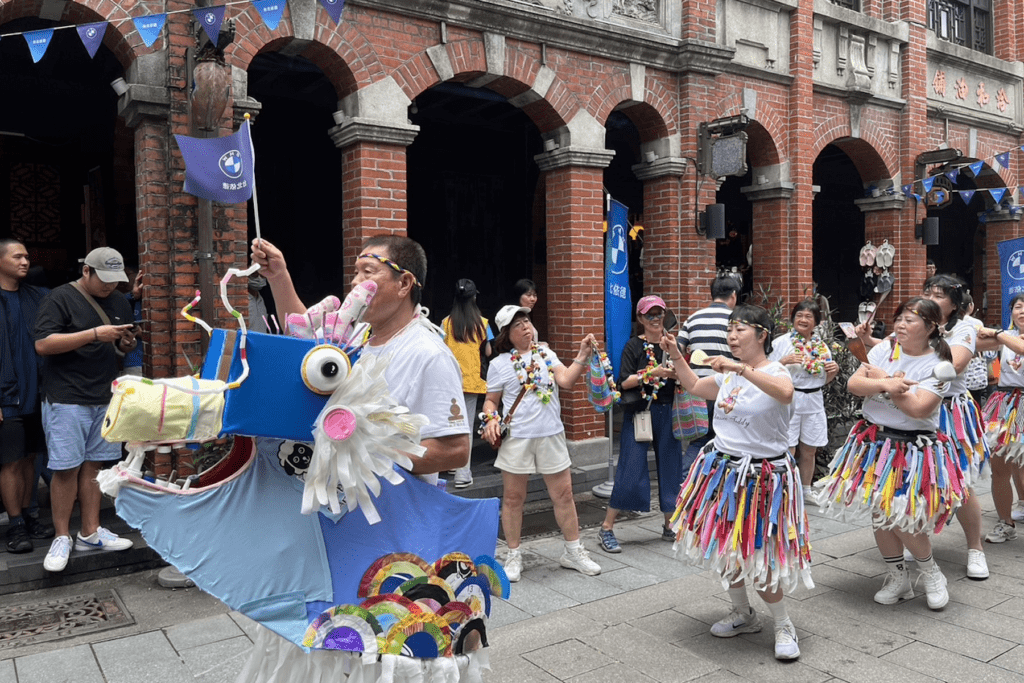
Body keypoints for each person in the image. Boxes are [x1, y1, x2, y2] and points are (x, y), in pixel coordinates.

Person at [252, 236, 470, 480]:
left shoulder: (427, 354)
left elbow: (456, 451)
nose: (355, 282)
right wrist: (278, 275)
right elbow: (303, 334)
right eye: (355, 273)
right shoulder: (355, 334)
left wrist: (363, 452)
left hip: (387, 508)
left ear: (404, 283)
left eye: (368, 272)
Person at [661, 304, 807, 661]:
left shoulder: (775, 371)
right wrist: (677, 355)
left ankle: (783, 623)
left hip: (763, 478)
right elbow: (694, 385)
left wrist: (739, 368)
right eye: (729, 330)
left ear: (762, 334)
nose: (731, 336)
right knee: (726, 549)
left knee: (761, 555)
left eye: (740, 329)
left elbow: (785, 393)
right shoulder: (727, 374)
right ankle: (743, 613)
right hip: (724, 474)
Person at [817, 297, 959, 610]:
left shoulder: (939, 363)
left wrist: (885, 384)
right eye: (900, 318)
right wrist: (888, 383)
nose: (901, 324)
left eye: (911, 320)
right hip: (874, 443)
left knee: (904, 515)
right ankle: (897, 576)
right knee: (881, 514)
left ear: (932, 326)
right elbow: (855, 384)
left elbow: (921, 410)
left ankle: (931, 572)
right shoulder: (885, 348)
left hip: (912, 448)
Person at [34, 247, 138, 572]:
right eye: (104, 280)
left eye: (115, 281)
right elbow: (43, 344)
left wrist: (124, 344)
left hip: (105, 393)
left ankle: (90, 531)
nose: (109, 287)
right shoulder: (59, 298)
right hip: (66, 395)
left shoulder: (120, 301)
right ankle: (62, 536)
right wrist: (94, 334)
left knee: (96, 465)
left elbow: (122, 342)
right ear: (87, 272)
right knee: (66, 468)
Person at [481, 305, 601, 581]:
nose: (525, 327)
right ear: (506, 335)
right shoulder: (499, 365)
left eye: (526, 322)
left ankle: (573, 551)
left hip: (551, 434)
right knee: (513, 498)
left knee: (564, 495)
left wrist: (582, 356)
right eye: (517, 325)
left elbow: (566, 380)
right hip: (518, 438)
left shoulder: (546, 354)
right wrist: (490, 419)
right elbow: (491, 400)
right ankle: (513, 555)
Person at [598, 295, 683, 553]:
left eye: (660, 314)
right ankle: (606, 527)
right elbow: (623, 382)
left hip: (667, 411)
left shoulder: (672, 344)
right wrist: (651, 373)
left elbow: (683, 373)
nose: (656, 319)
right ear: (641, 319)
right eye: (650, 315)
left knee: (671, 469)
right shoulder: (633, 346)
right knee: (630, 468)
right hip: (640, 413)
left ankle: (670, 525)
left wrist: (677, 372)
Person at [920, 275, 989, 579]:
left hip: (951, 413)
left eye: (939, 295)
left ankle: (975, 549)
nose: (931, 298)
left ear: (954, 304)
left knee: (960, 482)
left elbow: (955, 365)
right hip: (920, 406)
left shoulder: (965, 328)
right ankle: (918, 540)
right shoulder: (916, 322)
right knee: (920, 476)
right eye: (928, 293)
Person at [0, 238, 55, 553]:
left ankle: (29, 516)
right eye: (17, 256)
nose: (25, 261)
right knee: (10, 461)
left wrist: (130, 297)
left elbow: (77, 300)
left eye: (27, 256)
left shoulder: (39, 296)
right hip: (7, 396)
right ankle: (16, 524)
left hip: (38, 393)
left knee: (31, 459)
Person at [770, 300, 839, 503]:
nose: (803, 319)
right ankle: (786, 490)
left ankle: (806, 490)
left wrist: (833, 373)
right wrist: (783, 362)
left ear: (816, 321)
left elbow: (823, 379)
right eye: (799, 315)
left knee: (810, 449)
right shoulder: (781, 343)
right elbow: (766, 372)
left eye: (808, 316)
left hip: (814, 399)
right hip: (790, 399)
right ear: (793, 318)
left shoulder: (822, 347)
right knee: (788, 448)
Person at [675, 275, 740, 475]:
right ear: (734, 296)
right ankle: (693, 479)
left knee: (699, 439)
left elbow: (676, 350)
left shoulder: (693, 318)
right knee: (723, 440)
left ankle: (690, 480)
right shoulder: (736, 321)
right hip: (726, 391)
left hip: (697, 390)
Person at [977, 293, 1024, 545]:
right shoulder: (1004, 338)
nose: (1023, 311)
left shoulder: (1002, 336)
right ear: (1011, 311)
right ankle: (1006, 522)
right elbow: (993, 361)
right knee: (1000, 467)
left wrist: (994, 333)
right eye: (1018, 306)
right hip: (1004, 405)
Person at [441, 278, 493, 488]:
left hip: (449, 382)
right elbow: (488, 351)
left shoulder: (446, 323)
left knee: (450, 425)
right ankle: (463, 474)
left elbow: (440, 349)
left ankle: (452, 464)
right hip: (471, 382)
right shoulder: (482, 323)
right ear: (474, 297)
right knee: (466, 427)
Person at [121, 268, 144, 375]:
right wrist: (133, 295)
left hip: (157, 362)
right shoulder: (131, 299)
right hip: (134, 361)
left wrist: (144, 334)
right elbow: (115, 304)